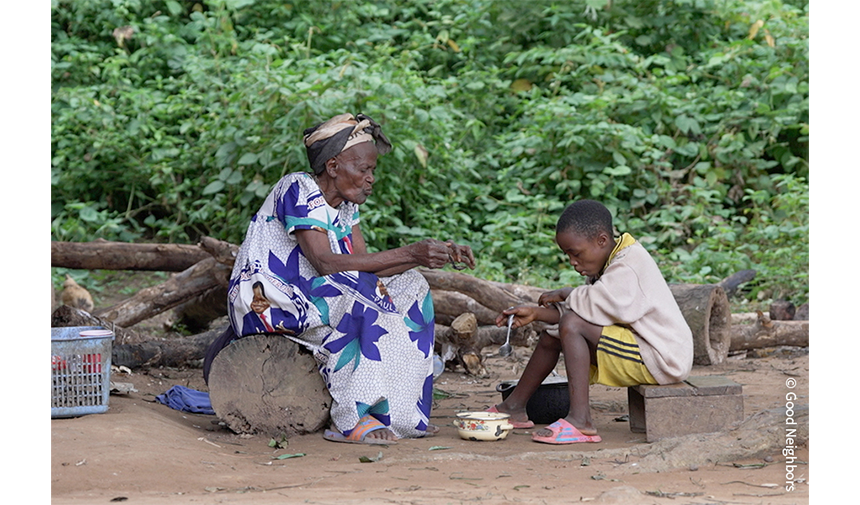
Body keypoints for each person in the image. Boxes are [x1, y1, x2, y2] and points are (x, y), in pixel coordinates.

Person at [205, 113, 475, 445]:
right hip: (268, 301)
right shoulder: (297, 187)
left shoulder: (347, 206)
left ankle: (402, 416)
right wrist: (409, 252)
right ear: (333, 167)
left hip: (316, 295)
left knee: (412, 285)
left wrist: (430, 255)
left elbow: (362, 266)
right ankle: (352, 417)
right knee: (362, 291)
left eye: (372, 170)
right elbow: (325, 262)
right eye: (364, 170)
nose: (371, 178)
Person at [489, 199, 692, 444]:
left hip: (660, 358)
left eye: (576, 253)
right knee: (554, 334)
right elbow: (590, 310)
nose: (573, 262)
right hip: (638, 348)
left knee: (570, 326)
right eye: (568, 255)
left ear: (602, 241)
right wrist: (536, 313)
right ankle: (514, 407)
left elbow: (591, 310)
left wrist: (567, 292)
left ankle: (581, 420)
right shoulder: (608, 260)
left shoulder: (629, 263)